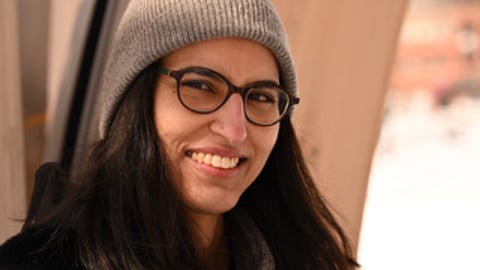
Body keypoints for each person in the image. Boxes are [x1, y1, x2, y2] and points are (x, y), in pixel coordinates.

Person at [0, 0, 359, 269]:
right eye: (201, 85)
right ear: (134, 100)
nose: (235, 130)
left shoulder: (314, 260)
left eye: (262, 96)